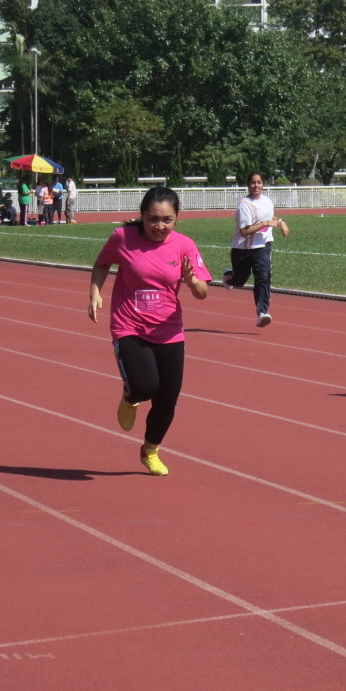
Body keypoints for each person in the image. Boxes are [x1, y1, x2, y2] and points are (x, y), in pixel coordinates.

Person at [88, 186, 211, 477]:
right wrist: (95, 293)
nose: (159, 226)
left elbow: (202, 293)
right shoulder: (123, 238)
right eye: (153, 219)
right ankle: (130, 396)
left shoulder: (184, 245)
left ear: (177, 218)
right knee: (145, 386)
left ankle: (150, 450)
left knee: (167, 400)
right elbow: (102, 263)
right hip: (129, 325)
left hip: (169, 330)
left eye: (167, 220)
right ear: (142, 216)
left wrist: (193, 282)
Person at [222, 172, 290, 328]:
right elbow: (245, 231)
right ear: (248, 185)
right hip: (242, 248)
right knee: (240, 280)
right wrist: (265, 224)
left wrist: (281, 221)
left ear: (263, 184)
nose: (256, 185)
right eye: (253, 182)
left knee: (263, 276)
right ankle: (228, 276)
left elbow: (270, 217)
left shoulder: (267, 201)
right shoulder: (245, 205)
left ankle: (262, 313)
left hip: (262, 246)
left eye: (259, 182)